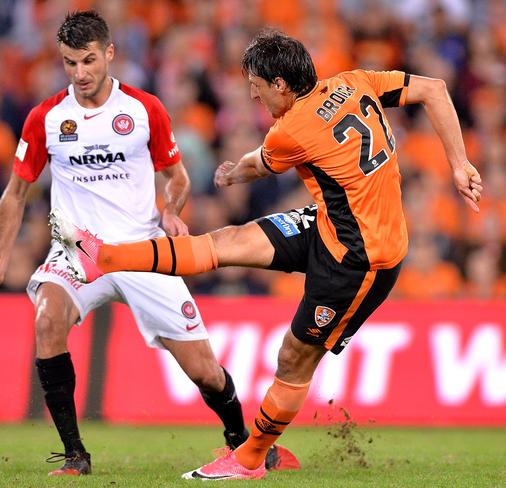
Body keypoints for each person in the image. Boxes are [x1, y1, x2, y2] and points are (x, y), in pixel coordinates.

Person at [50, 29, 483, 480]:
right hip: (332, 223)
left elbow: (262, 161)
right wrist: (459, 163)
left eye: (256, 87)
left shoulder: (292, 129)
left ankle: (251, 457)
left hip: (362, 259)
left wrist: (235, 173)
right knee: (230, 241)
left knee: (294, 357)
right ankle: (107, 259)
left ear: (280, 84)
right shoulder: (354, 81)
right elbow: (434, 89)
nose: (253, 96)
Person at [0, 11, 297, 477]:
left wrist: (172, 210)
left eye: (89, 61)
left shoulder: (143, 109)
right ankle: (75, 456)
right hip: (76, 251)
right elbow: (15, 194)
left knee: (204, 371)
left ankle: (244, 443)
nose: (80, 73)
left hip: (144, 250)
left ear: (110, 54)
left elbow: (176, 177)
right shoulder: (47, 118)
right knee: (47, 320)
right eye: (69, 63)